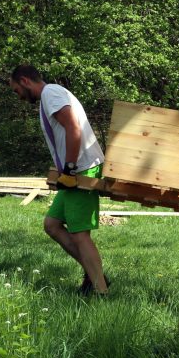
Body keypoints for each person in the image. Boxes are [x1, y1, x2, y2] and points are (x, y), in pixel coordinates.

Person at [10, 65, 109, 295]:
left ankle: (102, 292)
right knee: (52, 225)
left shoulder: (50, 93)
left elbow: (73, 127)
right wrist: (65, 169)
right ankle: (96, 275)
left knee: (80, 234)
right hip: (74, 170)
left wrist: (70, 169)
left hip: (82, 170)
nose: (18, 96)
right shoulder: (50, 96)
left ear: (25, 81)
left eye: (16, 90)